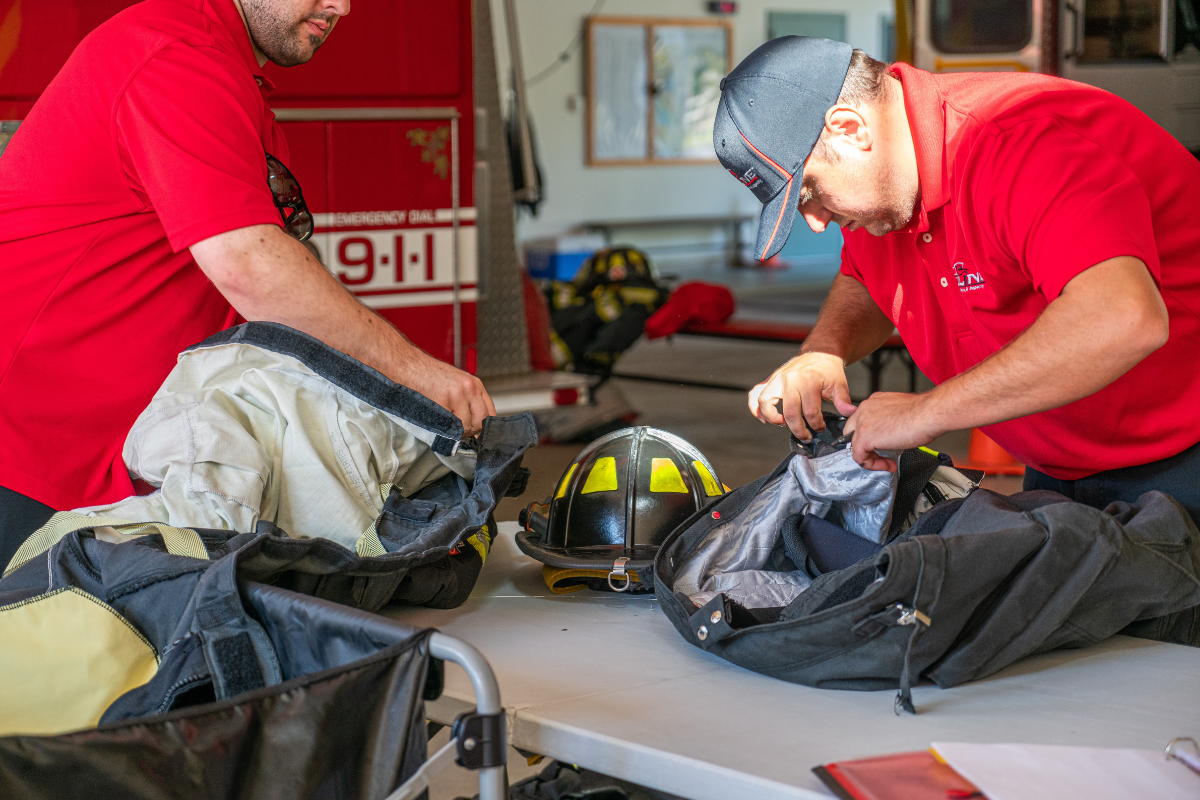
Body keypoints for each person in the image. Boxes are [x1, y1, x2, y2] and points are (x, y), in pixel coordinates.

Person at [0, 0, 495, 567]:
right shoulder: (175, 59)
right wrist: (415, 376)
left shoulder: (220, 64)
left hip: (106, 454)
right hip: (33, 453)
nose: (343, 7)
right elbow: (251, 268)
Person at [714, 37, 1200, 521]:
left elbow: (1122, 318)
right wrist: (823, 352)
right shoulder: (886, 193)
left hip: (1183, 452)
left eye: (811, 193)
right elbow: (865, 278)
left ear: (849, 129)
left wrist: (921, 414)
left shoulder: (1017, 141)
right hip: (1060, 466)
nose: (817, 222)